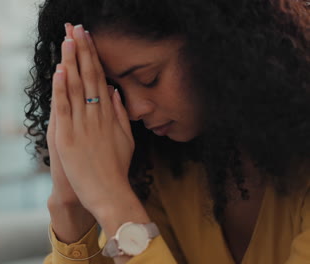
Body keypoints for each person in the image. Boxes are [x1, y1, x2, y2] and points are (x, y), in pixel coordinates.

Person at [24, 0, 310, 263]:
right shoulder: (162, 171)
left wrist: (114, 203)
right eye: (116, 92)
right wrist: (70, 206)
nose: (135, 110)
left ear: (219, 44)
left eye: (149, 78)